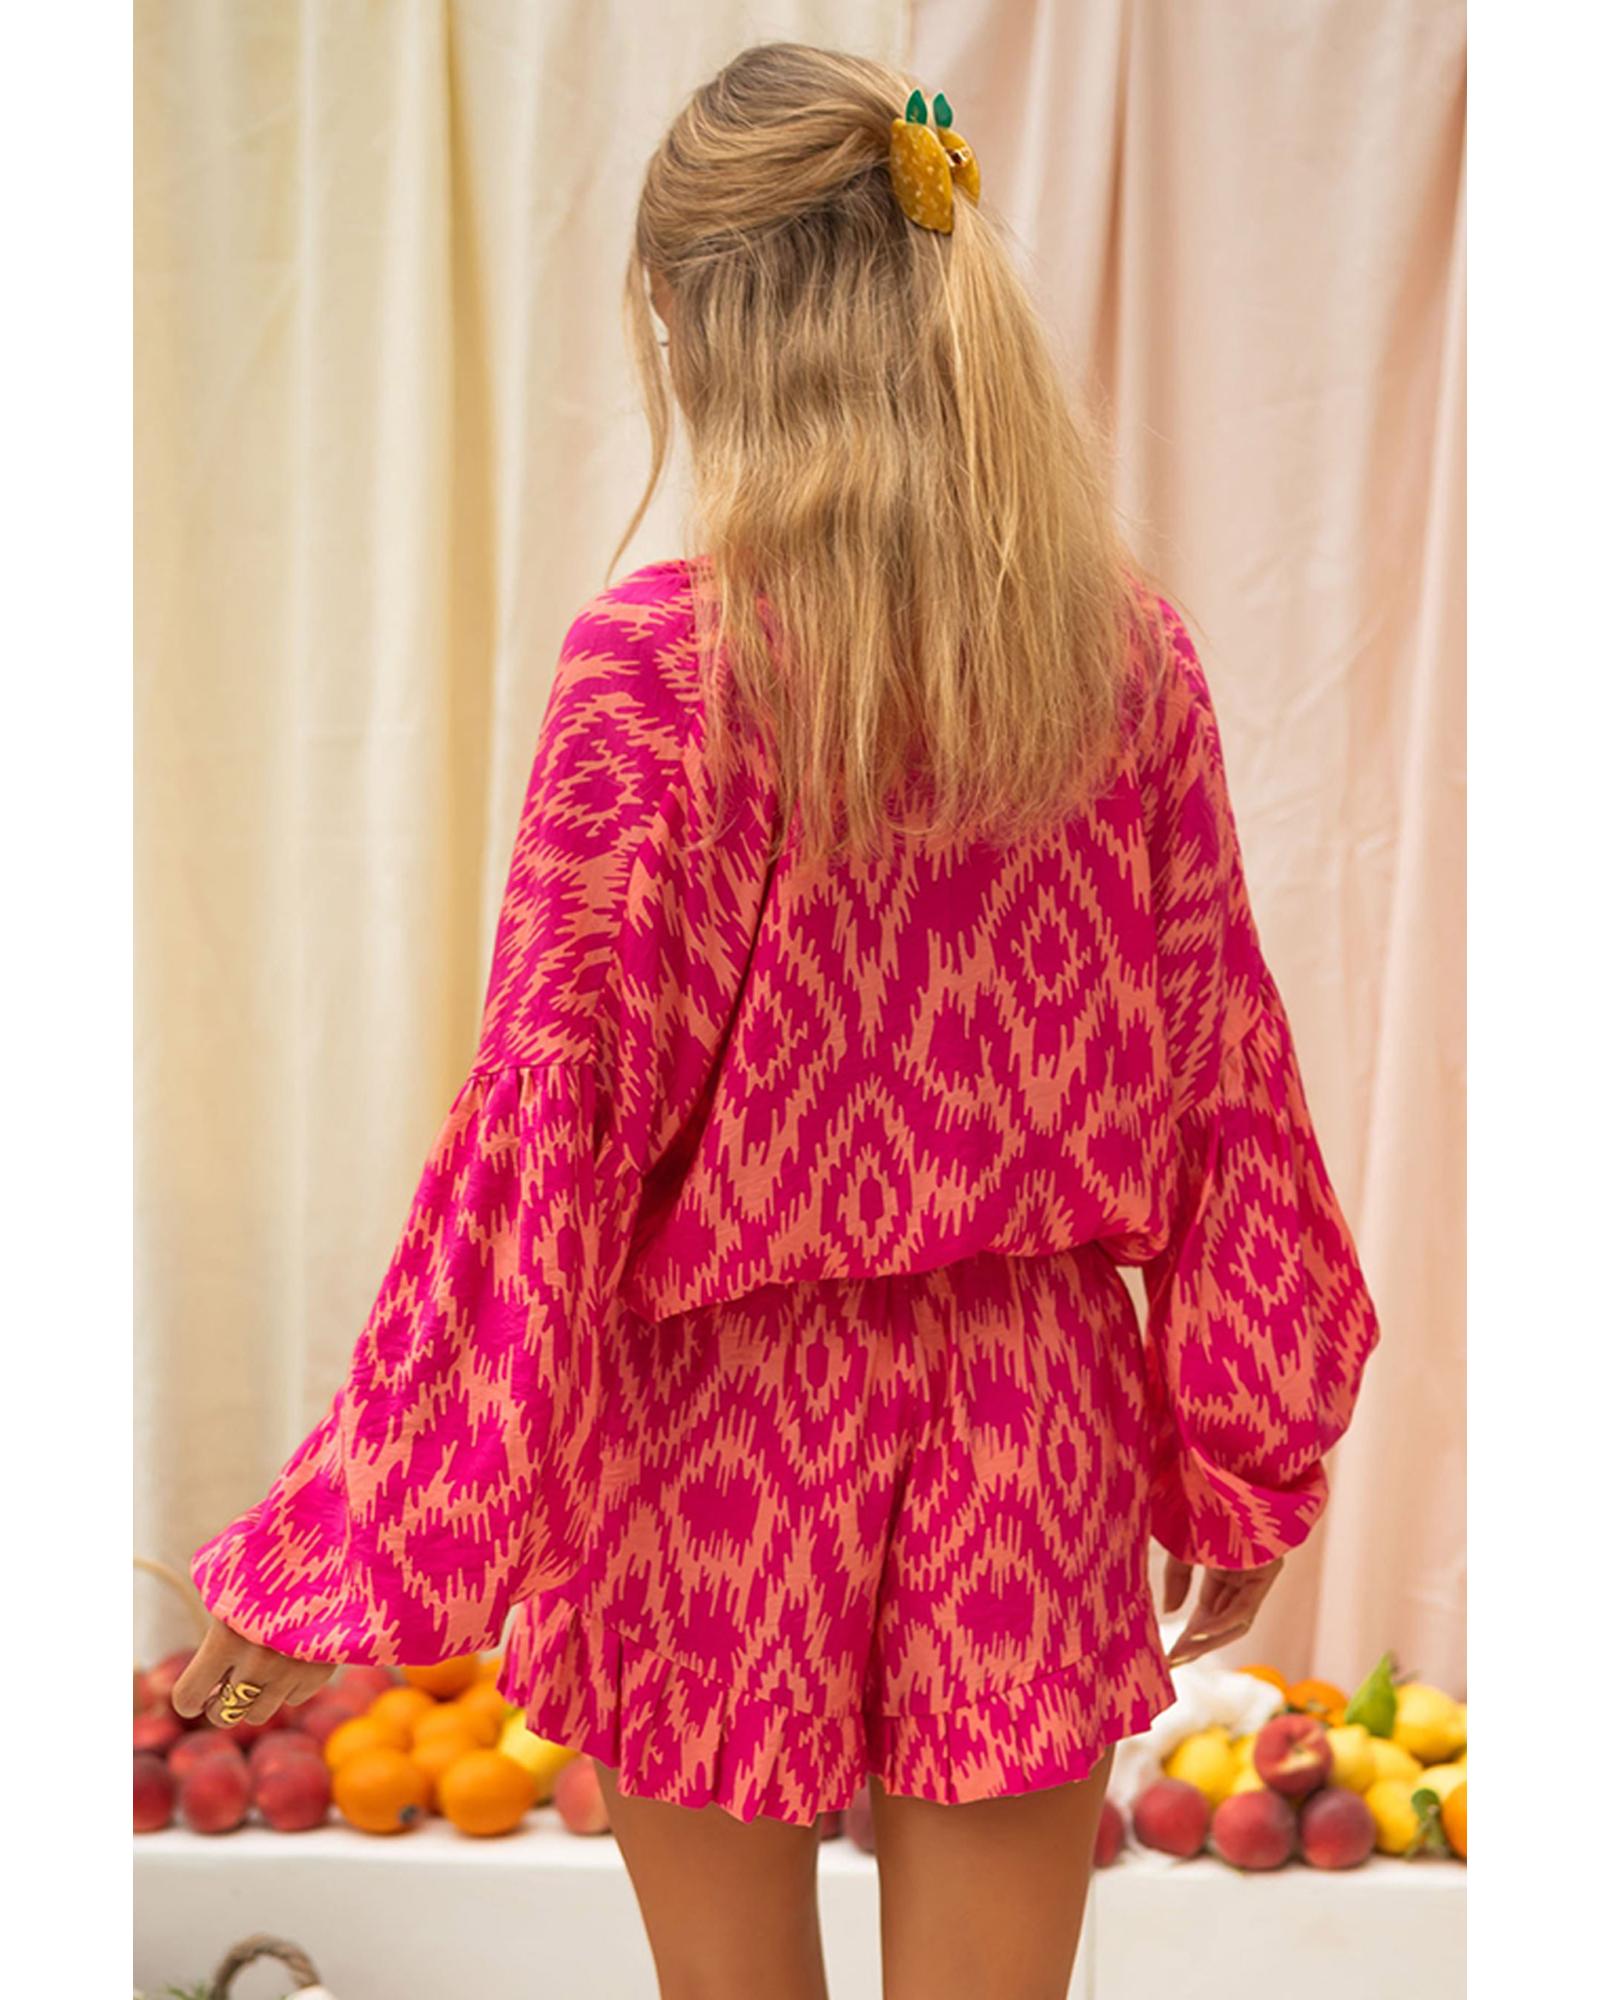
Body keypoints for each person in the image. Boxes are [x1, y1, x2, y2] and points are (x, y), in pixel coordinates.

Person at [172, 41, 1381, 2000]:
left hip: (708, 1444)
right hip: (1027, 1423)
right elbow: (1222, 1074)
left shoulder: (656, 677)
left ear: (690, 317)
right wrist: (1242, 1440)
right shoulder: (1121, 659)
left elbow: (540, 1147)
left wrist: (350, 1529)